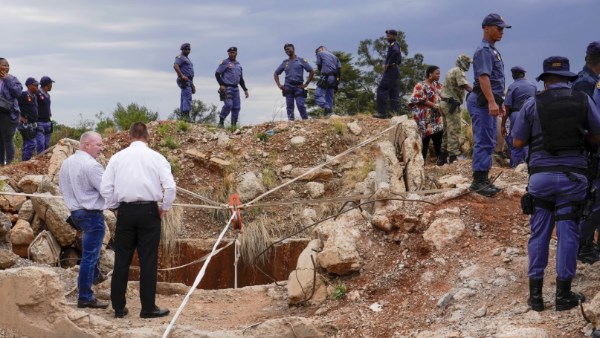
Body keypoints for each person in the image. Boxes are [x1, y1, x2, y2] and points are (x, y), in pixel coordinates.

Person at [512, 56, 600, 312]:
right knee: (567, 233)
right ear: (568, 78)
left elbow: (517, 143)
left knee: (539, 233)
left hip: (540, 180)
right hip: (573, 179)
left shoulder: (532, 103)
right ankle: (563, 296)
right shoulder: (583, 100)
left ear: (545, 79)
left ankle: (536, 297)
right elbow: (597, 135)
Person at [101, 122, 176, 319]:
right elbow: (170, 187)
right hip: (149, 212)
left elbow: (105, 187)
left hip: (125, 211)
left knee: (122, 260)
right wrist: (164, 208)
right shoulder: (157, 158)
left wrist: (115, 207)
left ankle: (118, 307)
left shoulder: (117, 158)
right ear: (147, 136)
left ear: (129, 136)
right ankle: (147, 308)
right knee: (148, 261)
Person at [59, 131, 108, 310]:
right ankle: (85, 296)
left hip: (75, 213)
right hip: (91, 214)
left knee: (90, 252)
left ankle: (95, 276)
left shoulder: (67, 163)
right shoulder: (92, 165)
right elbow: (107, 190)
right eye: (99, 145)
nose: (101, 149)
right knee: (90, 255)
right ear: (86, 144)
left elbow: (62, 187)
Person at [467, 13, 511, 197]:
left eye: (503, 28)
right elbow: (483, 78)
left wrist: (498, 103)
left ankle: (484, 179)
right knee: (484, 140)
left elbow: (494, 80)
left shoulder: (491, 50)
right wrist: (492, 101)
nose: (502, 31)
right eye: (498, 28)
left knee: (489, 140)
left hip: (489, 101)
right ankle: (478, 182)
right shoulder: (484, 50)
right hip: (482, 101)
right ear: (486, 28)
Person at [575, 42, 600, 264]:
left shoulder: (588, 81)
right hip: (591, 151)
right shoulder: (586, 83)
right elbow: (587, 123)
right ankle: (582, 245)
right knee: (594, 199)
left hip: (592, 149)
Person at [438, 54, 473, 165]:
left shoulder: (451, 70)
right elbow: (465, 86)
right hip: (451, 104)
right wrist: (478, 92)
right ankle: (453, 157)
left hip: (444, 103)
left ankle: (442, 157)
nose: (468, 65)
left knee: (447, 131)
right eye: (467, 63)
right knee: (454, 130)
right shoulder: (459, 71)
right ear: (462, 62)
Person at [501, 66, 537, 168]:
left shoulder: (512, 87)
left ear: (513, 75)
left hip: (517, 114)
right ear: (523, 74)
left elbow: (507, 107)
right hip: (532, 114)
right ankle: (529, 165)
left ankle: (517, 165)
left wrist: (503, 124)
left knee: (515, 140)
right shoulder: (533, 86)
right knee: (529, 140)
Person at [409, 65, 444, 161]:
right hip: (424, 119)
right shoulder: (420, 86)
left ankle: (440, 161)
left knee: (438, 139)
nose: (439, 75)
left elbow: (444, 96)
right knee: (424, 140)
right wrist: (433, 105)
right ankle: (421, 162)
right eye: (437, 73)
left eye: (439, 74)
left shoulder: (438, 86)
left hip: (436, 118)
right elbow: (416, 98)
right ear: (430, 74)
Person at [274, 43, 314, 121]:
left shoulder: (301, 60)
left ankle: (305, 121)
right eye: (285, 50)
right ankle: (291, 122)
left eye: (288, 49)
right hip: (288, 87)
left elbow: (311, 71)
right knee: (289, 106)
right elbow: (276, 74)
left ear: (293, 49)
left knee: (301, 105)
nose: (287, 51)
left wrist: (306, 84)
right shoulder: (285, 62)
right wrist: (279, 85)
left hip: (299, 87)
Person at [215, 47, 249, 128]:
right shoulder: (225, 62)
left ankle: (233, 126)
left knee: (236, 107)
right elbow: (217, 74)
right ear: (228, 54)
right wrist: (221, 84)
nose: (232, 54)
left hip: (236, 88)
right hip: (227, 87)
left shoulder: (238, 65)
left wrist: (245, 89)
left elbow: (241, 79)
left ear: (236, 53)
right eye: (230, 53)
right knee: (228, 105)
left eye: (234, 52)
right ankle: (221, 122)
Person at [373, 29, 402, 119]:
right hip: (395, 69)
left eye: (389, 36)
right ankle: (394, 113)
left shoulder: (394, 45)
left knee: (381, 90)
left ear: (394, 36)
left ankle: (381, 113)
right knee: (394, 91)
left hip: (391, 69)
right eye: (387, 35)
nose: (387, 37)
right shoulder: (395, 45)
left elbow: (396, 52)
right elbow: (399, 58)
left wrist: (389, 63)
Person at [0, 58, 23, 165]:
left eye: (8, 65)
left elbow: (17, 93)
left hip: (9, 114)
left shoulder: (12, 79)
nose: (7, 67)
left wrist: (7, 79)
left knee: (7, 138)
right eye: (4, 65)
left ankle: (10, 164)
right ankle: (1, 164)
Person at [17, 77, 43, 161]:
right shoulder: (23, 95)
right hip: (25, 124)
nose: (37, 87)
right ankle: (26, 162)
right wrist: (19, 117)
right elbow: (13, 106)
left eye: (37, 85)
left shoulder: (34, 96)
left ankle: (24, 162)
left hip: (33, 124)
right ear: (29, 86)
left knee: (27, 144)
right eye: (35, 85)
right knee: (31, 143)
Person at [314, 45, 341, 117]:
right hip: (334, 78)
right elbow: (339, 70)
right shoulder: (335, 57)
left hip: (326, 77)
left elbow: (319, 65)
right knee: (329, 97)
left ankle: (326, 108)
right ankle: (330, 115)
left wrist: (322, 71)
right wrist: (337, 83)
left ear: (322, 49)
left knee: (317, 95)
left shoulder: (320, 53)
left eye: (317, 51)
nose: (317, 53)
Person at [173, 43, 195, 122]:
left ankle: (183, 116)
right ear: (182, 49)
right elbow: (175, 66)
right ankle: (186, 116)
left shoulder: (187, 59)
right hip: (184, 79)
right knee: (187, 97)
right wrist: (181, 75)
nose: (187, 50)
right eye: (186, 49)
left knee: (184, 97)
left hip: (189, 80)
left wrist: (192, 85)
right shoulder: (180, 57)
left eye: (188, 49)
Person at [36, 76, 55, 151]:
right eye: (51, 84)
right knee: (40, 143)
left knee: (47, 145)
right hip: (39, 122)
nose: (52, 86)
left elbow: (48, 109)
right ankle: (39, 160)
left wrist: (51, 121)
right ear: (47, 84)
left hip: (48, 122)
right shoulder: (37, 93)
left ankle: (44, 161)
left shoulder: (48, 95)